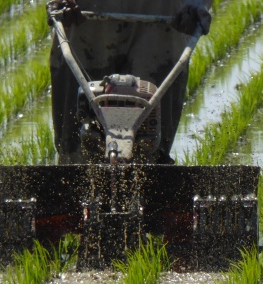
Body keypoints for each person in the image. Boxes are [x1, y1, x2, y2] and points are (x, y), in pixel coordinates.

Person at [47, 0, 212, 164]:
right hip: (85, 12)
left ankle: (152, 178)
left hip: (162, 12)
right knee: (77, 143)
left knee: (151, 141)